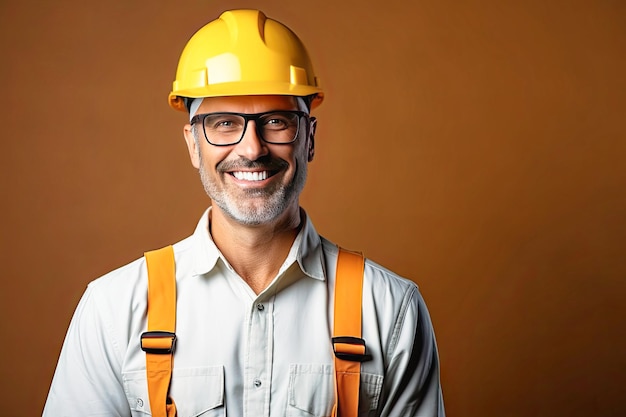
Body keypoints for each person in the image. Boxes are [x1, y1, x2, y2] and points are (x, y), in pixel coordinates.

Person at [43, 8, 445, 417]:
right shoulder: (114, 310)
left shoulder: (389, 309)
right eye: (223, 123)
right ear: (192, 144)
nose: (252, 149)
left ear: (309, 138)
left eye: (276, 121)